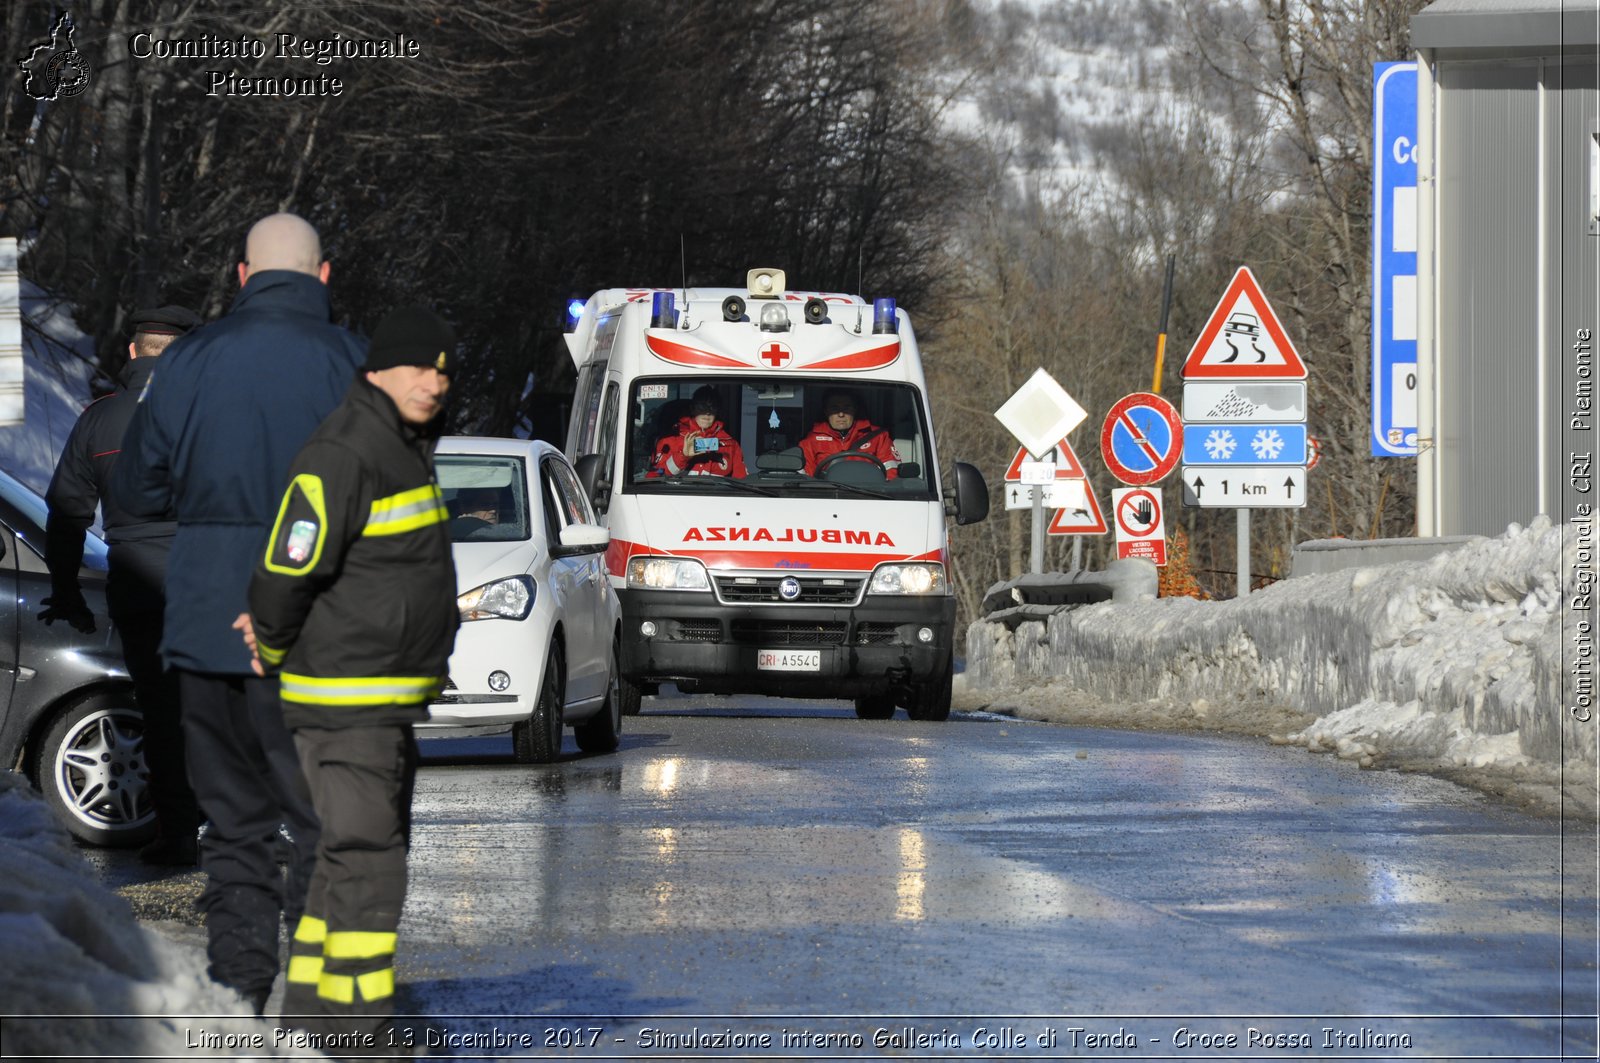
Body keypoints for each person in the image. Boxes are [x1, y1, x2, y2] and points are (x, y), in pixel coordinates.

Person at [111, 213, 365, 1014]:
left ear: (242, 275)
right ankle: (324, 1005)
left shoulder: (186, 364)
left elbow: (138, 490)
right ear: (323, 278)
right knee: (325, 823)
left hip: (209, 621)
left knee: (234, 826)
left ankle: (240, 992)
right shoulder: (360, 365)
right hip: (321, 628)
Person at [241, 306, 458, 1050]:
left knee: (341, 866)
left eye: (443, 368)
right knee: (369, 867)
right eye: (419, 367)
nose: (435, 381)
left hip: (377, 701)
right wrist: (268, 639)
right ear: (377, 372)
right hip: (345, 703)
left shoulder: (397, 445)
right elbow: (285, 566)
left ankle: (309, 1023)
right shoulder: (347, 448)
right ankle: (362, 1034)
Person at [42, 304, 204, 865]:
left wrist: (65, 591)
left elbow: (67, 514)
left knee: (160, 710)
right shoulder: (213, 415)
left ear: (132, 353)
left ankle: (178, 832)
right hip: (211, 582)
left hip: (137, 587)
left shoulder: (98, 420)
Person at [799, 390, 901, 479]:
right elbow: (807, 478)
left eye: (846, 408)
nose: (841, 414)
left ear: (855, 410)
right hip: (827, 496)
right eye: (835, 408)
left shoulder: (878, 437)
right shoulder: (811, 441)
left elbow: (891, 472)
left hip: (869, 495)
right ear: (826, 411)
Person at [650, 384, 747, 478]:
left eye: (712, 408)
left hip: (716, 494)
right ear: (692, 409)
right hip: (680, 494)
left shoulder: (730, 445)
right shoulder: (669, 440)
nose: (707, 412)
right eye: (702, 407)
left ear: (717, 411)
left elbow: (742, 481)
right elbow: (655, 476)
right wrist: (683, 456)